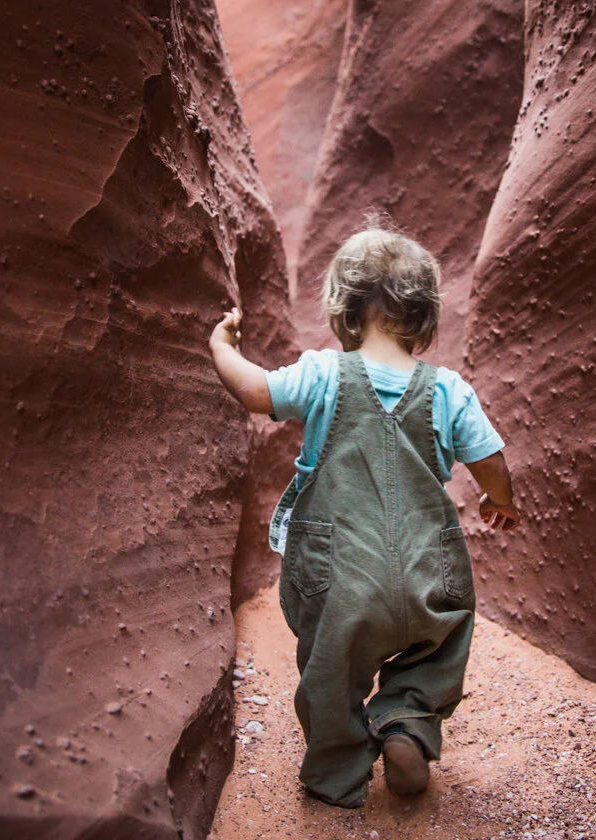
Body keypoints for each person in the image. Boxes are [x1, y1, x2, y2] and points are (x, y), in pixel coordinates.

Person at [209, 218, 519, 808]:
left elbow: (256, 392)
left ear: (344, 309)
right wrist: (499, 500)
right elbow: (490, 459)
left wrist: (222, 347)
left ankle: (337, 773)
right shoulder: (448, 389)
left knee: (331, 670)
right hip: (428, 571)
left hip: (341, 571)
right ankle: (407, 721)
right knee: (439, 647)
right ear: (424, 315)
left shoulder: (323, 372)